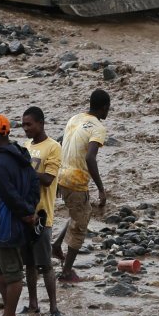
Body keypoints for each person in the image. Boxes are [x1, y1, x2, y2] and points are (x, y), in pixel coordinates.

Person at [0, 115, 40, 316]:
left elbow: (8, 194)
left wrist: (26, 212)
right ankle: (9, 312)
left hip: (5, 225)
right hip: (14, 221)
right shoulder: (21, 154)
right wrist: (30, 209)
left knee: (13, 273)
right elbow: (34, 182)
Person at [53, 90, 110, 284]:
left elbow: (61, 142)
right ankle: (67, 271)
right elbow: (90, 158)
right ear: (104, 108)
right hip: (76, 181)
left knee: (77, 215)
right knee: (80, 226)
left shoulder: (75, 118)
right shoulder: (98, 128)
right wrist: (101, 189)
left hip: (61, 176)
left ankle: (57, 244)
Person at [20, 107, 64, 316]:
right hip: (25, 214)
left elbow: (48, 179)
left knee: (45, 264)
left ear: (41, 123)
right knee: (28, 263)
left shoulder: (53, 147)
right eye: (23, 125)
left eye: (29, 124)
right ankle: (33, 303)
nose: (26, 129)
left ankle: (54, 307)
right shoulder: (25, 147)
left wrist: (25, 172)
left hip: (43, 215)